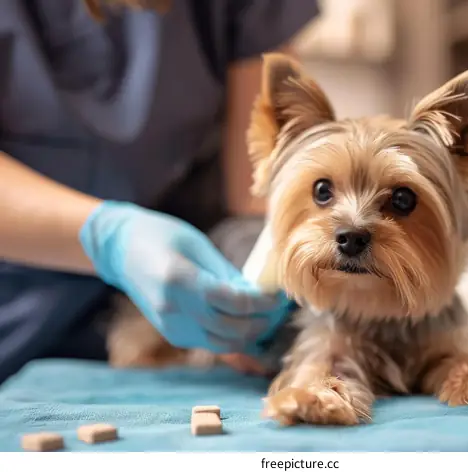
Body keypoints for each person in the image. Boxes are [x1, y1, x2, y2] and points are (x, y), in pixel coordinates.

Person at [0, 0, 320, 384]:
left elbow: (260, 184)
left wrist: (260, 279)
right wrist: (108, 237)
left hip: (185, 333)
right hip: (21, 319)